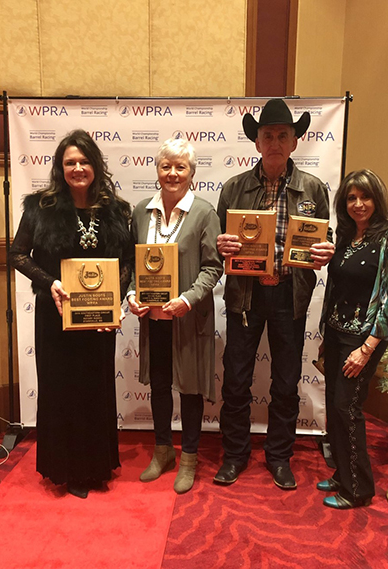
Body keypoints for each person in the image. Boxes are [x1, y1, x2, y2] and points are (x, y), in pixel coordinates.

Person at [214, 98, 335, 490]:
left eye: (283, 135)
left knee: (285, 381)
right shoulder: (234, 188)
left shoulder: (314, 189)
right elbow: (217, 244)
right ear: (257, 142)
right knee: (236, 379)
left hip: (289, 296)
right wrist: (223, 246)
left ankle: (280, 457)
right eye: (268, 135)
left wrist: (325, 248)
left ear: (295, 142)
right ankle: (235, 455)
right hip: (244, 297)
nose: (275, 142)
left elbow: (323, 238)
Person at [9, 129, 133, 499]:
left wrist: (116, 301)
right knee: (61, 390)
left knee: (95, 390)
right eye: (69, 163)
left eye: (84, 161)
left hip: (98, 321)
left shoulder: (116, 210)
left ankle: (96, 466)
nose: (77, 168)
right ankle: (68, 470)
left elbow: (126, 262)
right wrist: (50, 283)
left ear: (95, 165)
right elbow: (17, 254)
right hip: (56, 316)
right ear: (60, 169)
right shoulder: (39, 208)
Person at [127, 138, 223, 494]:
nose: (172, 173)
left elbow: (214, 268)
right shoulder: (140, 211)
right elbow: (132, 264)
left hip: (188, 318)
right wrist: (133, 295)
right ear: (157, 170)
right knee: (159, 384)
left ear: (192, 174)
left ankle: (190, 458)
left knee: (191, 389)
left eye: (180, 167)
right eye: (166, 166)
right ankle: (163, 450)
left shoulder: (204, 213)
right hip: (153, 318)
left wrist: (188, 299)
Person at [317, 169, 388, 509]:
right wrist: (327, 334)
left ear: (377, 200)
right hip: (338, 333)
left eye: (365, 197)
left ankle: (359, 489)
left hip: (365, 339)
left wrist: (367, 349)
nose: (358, 204)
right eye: (351, 198)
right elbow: (338, 288)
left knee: (347, 408)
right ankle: (342, 473)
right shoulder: (346, 235)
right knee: (335, 410)